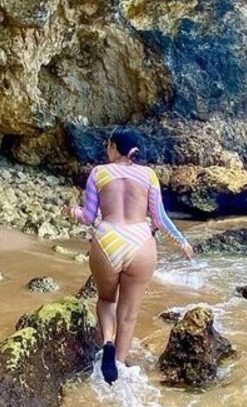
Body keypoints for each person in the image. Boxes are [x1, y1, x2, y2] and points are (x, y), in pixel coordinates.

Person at [69, 129, 194, 384]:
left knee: (107, 299)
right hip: (139, 242)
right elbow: (159, 217)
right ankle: (118, 369)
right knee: (128, 315)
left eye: (108, 145)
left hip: (108, 240)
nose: (107, 149)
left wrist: (73, 211)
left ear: (114, 148)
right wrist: (181, 241)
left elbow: (89, 217)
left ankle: (107, 342)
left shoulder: (98, 173)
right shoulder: (148, 175)